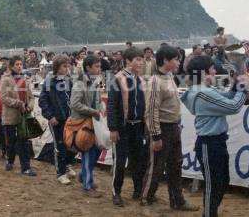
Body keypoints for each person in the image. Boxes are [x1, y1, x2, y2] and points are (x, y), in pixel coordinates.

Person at [181, 56, 247, 217]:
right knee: (214, 185)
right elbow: (234, 106)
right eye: (212, 69)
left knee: (221, 182)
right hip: (209, 144)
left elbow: (226, 98)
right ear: (203, 72)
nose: (215, 72)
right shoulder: (203, 92)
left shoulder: (200, 90)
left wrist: (236, 86)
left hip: (213, 142)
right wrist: (242, 87)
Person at [141, 45, 199, 211]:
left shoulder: (170, 77)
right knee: (156, 167)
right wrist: (156, 136)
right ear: (165, 60)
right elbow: (151, 112)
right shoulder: (155, 81)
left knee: (175, 165)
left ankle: (177, 200)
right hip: (162, 129)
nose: (178, 61)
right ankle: (146, 198)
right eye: (175, 59)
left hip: (173, 127)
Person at [108, 47, 147, 207]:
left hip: (138, 127)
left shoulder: (140, 79)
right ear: (128, 61)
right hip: (123, 128)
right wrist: (113, 128)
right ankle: (116, 193)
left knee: (138, 161)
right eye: (137, 59)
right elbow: (112, 105)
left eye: (141, 59)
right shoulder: (118, 79)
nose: (141, 62)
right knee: (120, 161)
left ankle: (138, 190)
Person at [39, 54, 77, 185]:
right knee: (60, 146)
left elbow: (73, 97)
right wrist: (50, 116)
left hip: (70, 119)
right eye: (64, 66)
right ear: (57, 67)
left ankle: (66, 165)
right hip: (57, 120)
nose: (67, 68)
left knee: (72, 144)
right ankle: (60, 172)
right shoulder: (49, 81)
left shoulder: (69, 80)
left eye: (68, 66)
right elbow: (42, 100)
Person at [70, 54, 103, 198]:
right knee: (89, 152)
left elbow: (97, 99)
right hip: (84, 124)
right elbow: (75, 104)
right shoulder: (79, 84)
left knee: (94, 152)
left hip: (92, 123)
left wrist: (100, 107)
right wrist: (93, 111)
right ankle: (87, 186)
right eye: (97, 66)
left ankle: (84, 176)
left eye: (99, 66)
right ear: (88, 68)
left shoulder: (93, 82)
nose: (99, 68)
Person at [0, 56, 36, 176]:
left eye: (21, 64)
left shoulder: (24, 79)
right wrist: (18, 103)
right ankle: (10, 161)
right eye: (17, 64)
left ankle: (25, 167)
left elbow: (31, 97)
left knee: (24, 141)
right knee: (11, 141)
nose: (19, 66)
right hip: (10, 115)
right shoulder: (5, 80)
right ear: (11, 66)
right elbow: (4, 98)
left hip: (23, 116)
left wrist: (30, 106)